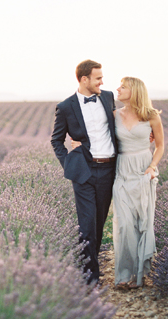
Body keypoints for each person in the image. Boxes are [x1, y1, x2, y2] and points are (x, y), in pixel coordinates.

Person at [51, 59, 118, 284]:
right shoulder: (66, 106)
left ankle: (90, 264)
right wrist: (69, 162)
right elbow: (56, 140)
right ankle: (90, 278)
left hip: (109, 168)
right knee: (87, 224)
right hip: (84, 172)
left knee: (98, 223)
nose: (102, 81)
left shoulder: (108, 97)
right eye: (98, 78)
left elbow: (118, 126)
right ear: (84, 79)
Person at [111, 76, 164, 289]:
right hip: (122, 172)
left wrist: (152, 167)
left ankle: (139, 275)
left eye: (123, 87)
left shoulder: (151, 116)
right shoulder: (113, 115)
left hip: (143, 173)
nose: (118, 89)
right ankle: (124, 276)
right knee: (124, 225)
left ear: (135, 91)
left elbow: (160, 146)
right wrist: (78, 141)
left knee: (143, 222)